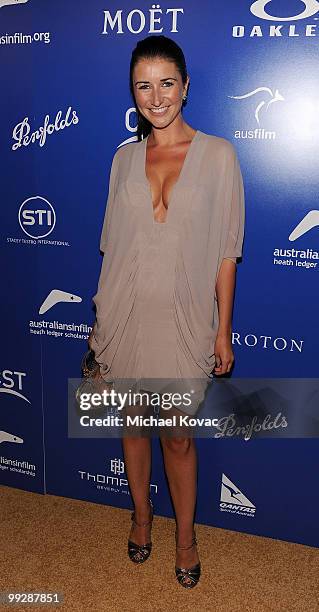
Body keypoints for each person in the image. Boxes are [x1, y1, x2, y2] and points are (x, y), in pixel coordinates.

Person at [89, 34, 245, 588]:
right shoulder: (122, 159)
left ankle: (186, 535)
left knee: (177, 436)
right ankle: (140, 516)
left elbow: (227, 251)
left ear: (185, 86)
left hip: (182, 322)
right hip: (124, 315)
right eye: (142, 85)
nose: (155, 96)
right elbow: (112, 247)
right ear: (133, 92)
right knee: (133, 425)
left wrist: (223, 331)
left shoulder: (220, 155)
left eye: (166, 83)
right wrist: (98, 328)